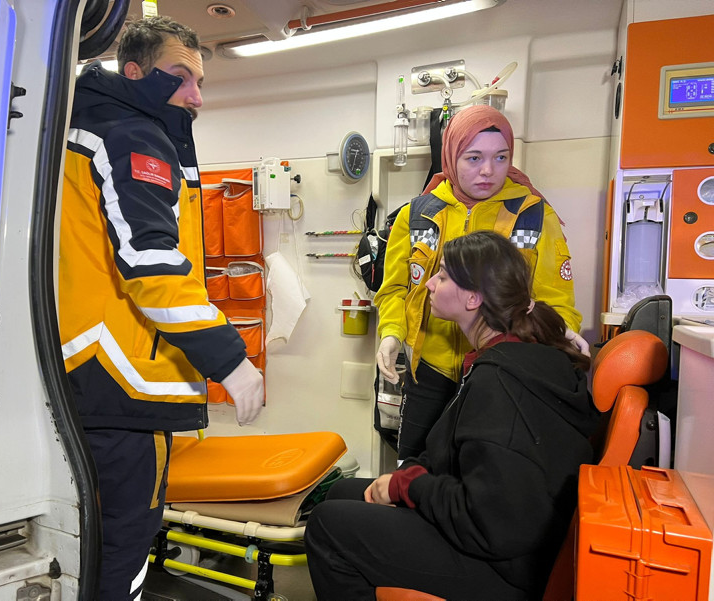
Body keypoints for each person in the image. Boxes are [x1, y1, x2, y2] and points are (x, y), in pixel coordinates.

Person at [59, 17, 264, 600]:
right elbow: (150, 263)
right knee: (123, 548)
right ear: (134, 72)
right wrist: (230, 360)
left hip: (82, 372)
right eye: (181, 77)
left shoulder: (82, 129)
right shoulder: (132, 136)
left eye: (200, 82)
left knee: (84, 546)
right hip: (125, 384)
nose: (196, 97)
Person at [305, 230, 599, 600]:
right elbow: (457, 455)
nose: (429, 283)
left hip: (504, 567)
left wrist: (409, 486)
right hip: (504, 536)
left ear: (473, 298)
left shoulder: (500, 384)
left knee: (327, 527)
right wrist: (409, 477)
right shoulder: (515, 353)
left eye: (442, 275)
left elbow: (491, 521)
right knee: (342, 494)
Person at [374, 104, 588, 460]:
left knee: (478, 474)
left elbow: (556, 299)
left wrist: (560, 335)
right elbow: (395, 289)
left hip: (499, 373)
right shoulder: (417, 214)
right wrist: (392, 333)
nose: (488, 170)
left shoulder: (533, 214)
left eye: (500, 157)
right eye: (474, 158)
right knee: (412, 470)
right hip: (429, 370)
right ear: (451, 156)